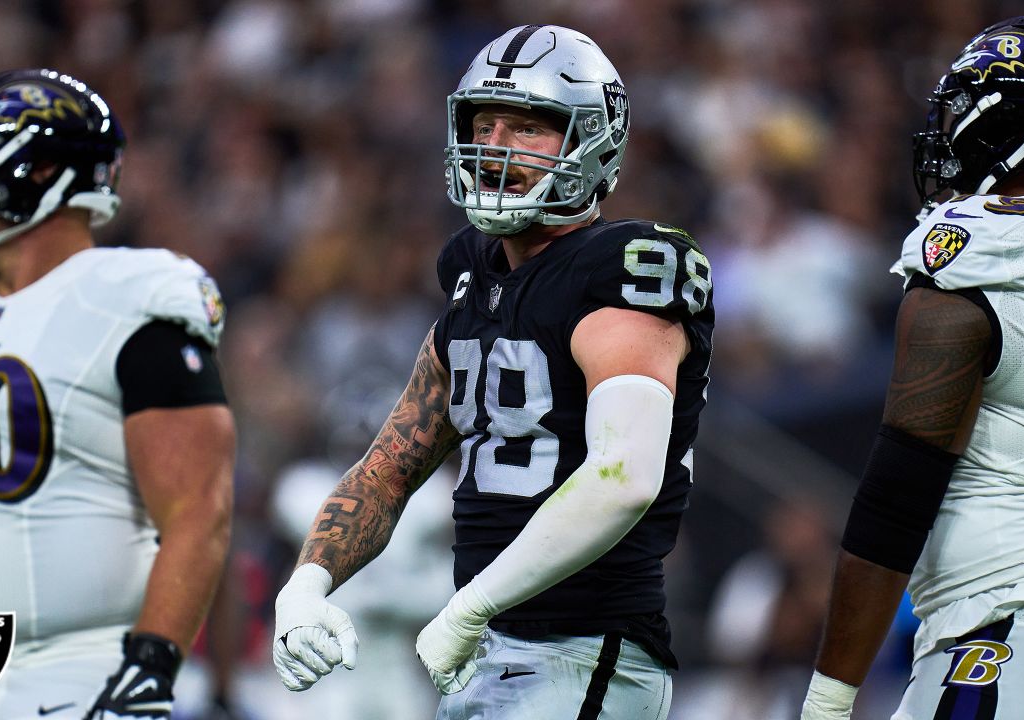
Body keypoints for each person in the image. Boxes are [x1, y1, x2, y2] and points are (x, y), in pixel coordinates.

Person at [272, 24, 714, 719]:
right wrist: (304, 585)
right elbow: (390, 467)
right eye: (486, 122)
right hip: (490, 653)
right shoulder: (472, 278)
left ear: (592, 142)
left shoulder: (625, 268)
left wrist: (470, 605)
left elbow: (623, 476)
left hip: (582, 648)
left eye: (529, 128)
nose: (497, 146)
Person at [802, 16, 1024, 720]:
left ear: (1016, 126)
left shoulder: (981, 243)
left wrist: (828, 697)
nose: (949, 129)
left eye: (964, 110)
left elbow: (898, 493)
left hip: (1010, 628)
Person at [0, 69, 235, 719]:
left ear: (40, 169)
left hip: (80, 673)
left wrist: (151, 663)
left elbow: (197, 510)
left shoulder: (131, 300)